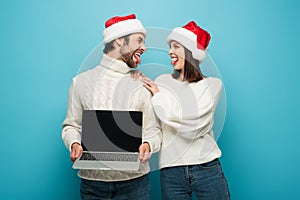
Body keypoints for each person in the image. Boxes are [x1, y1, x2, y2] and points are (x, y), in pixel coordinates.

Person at [62, 14, 162, 200]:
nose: (144, 47)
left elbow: (153, 129)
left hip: (135, 183)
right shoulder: (81, 82)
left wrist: (148, 144)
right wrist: (74, 143)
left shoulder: (142, 84)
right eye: (139, 40)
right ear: (118, 40)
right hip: (92, 183)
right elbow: (71, 126)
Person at [141, 21, 230, 199]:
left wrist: (159, 98)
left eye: (176, 47)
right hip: (171, 170)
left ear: (191, 53)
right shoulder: (162, 81)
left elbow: (194, 127)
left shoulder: (212, 85)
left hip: (206, 167)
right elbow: (154, 123)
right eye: (170, 46)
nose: (170, 51)